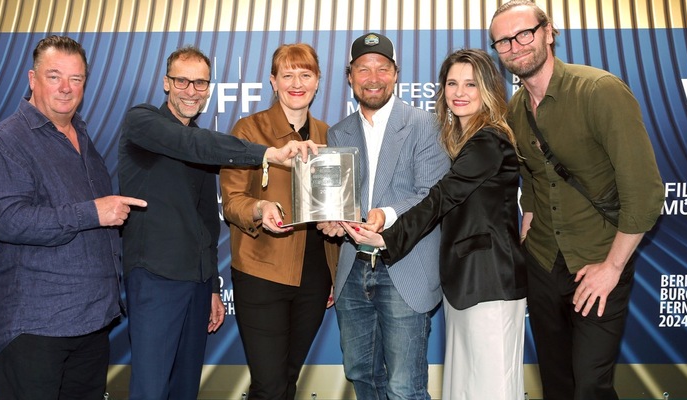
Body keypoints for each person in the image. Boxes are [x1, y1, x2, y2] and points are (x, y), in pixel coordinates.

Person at [119, 46, 319, 400]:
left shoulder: (204, 142)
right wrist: (267, 153)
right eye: (182, 81)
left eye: (200, 83)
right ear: (166, 83)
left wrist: (211, 285)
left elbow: (207, 222)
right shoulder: (143, 121)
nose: (191, 90)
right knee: (150, 390)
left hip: (197, 282)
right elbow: (189, 144)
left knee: (185, 390)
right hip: (155, 278)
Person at [489, 2, 665, 399]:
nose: (515, 46)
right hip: (543, 263)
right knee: (557, 384)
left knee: (590, 387)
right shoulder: (516, 109)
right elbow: (533, 178)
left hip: (598, 261)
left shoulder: (600, 91)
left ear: (548, 32)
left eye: (524, 33)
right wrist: (527, 228)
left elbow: (645, 191)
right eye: (503, 41)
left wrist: (612, 267)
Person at [343, 48, 528, 400]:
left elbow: (440, 197)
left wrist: (388, 238)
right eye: (452, 83)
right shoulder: (463, 140)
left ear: (488, 89)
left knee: (492, 388)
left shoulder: (488, 140)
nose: (459, 92)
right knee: (467, 388)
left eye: (471, 84)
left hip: (489, 281)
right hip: (465, 281)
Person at [0, 35, 148, 399]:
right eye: (54, 76)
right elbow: (10, 221)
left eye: (76, 78)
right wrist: (93, 212)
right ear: (32, 79)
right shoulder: (7, 141)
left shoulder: (80, 134)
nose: (66, 88)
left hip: (91, 322)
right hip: (37, 326)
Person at [318, 32, 450, 399]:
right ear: (350, 77)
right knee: (362, 375)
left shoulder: (427, 124)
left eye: (382, 68)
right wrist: (332, 220)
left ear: (395, 74)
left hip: (404, 265)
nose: (373, 78)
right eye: (363, 69)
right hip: (353, 269)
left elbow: (430, 194)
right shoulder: (338, 133)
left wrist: (385, 214)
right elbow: (339, 200)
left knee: (404, 387)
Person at [218, 43, 340, 400]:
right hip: (262, 271)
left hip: (315, 276)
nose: (297, 83)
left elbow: (336, 207)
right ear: (273, 82)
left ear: (318, 81)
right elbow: (232, 201)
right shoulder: (248, 130)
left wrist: (335, 270)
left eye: (305, 74)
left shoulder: (330, 135)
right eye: (287, 75)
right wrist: (260, 208)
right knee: (269, 386)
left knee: (287, 379)